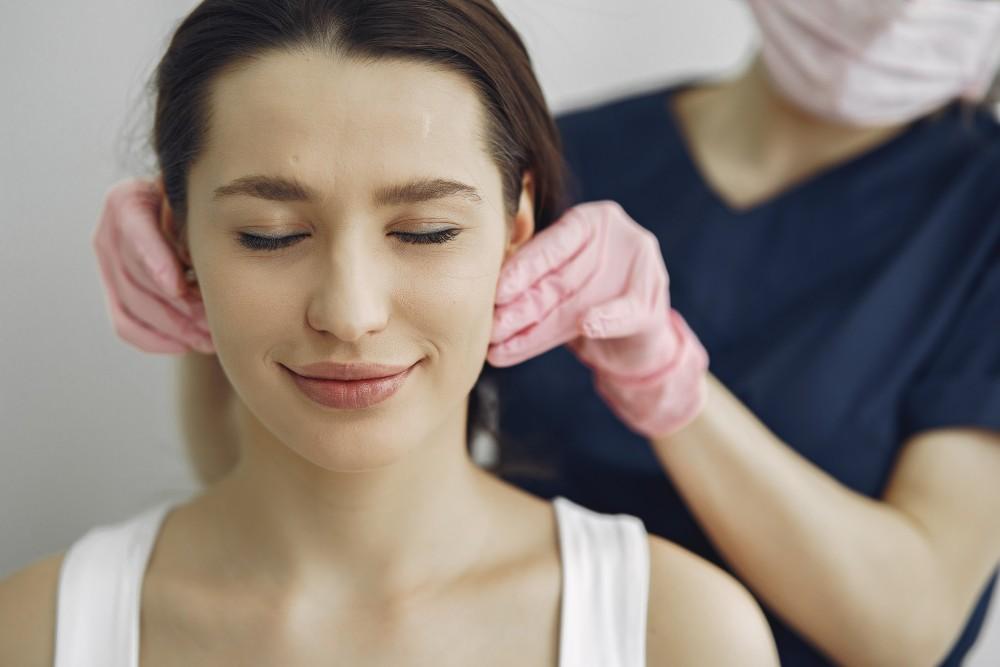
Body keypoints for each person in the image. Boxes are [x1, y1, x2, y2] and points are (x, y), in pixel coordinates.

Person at [41, 0, 1000, 665]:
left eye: (424, 231)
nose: (354, 307)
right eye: (270, 231)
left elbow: (910, 622)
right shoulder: (549, 136)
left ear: (518, 228)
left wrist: (669, 383)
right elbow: (296, 451)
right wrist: (206, 298)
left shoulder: (977, 218)